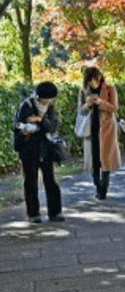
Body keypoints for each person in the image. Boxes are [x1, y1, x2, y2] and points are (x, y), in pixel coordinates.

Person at [13, 82, 63, 223]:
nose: (47, 101)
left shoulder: (50, 108)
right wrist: (27, 127)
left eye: (50, 98)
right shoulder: (26, 105)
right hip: (28, 147)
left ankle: (55, 212)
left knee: (50, 179)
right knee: (31, 180)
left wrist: (40, 120)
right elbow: (18, 125)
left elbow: (52, 126)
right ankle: (33, 214)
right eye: (45, 98)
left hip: (45, 147)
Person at [78, 66, 121, 200]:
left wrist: (101, 102)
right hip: (91, 128)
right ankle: (97, 186)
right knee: (94, 160)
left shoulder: (109, 89)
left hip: (106, 128)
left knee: (106, 159)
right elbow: (80, 110)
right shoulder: (83, 92)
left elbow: (114, 108)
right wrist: (88, 105)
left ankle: (104, 188)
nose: (93, 83)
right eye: (89, 81)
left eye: (94, 79)